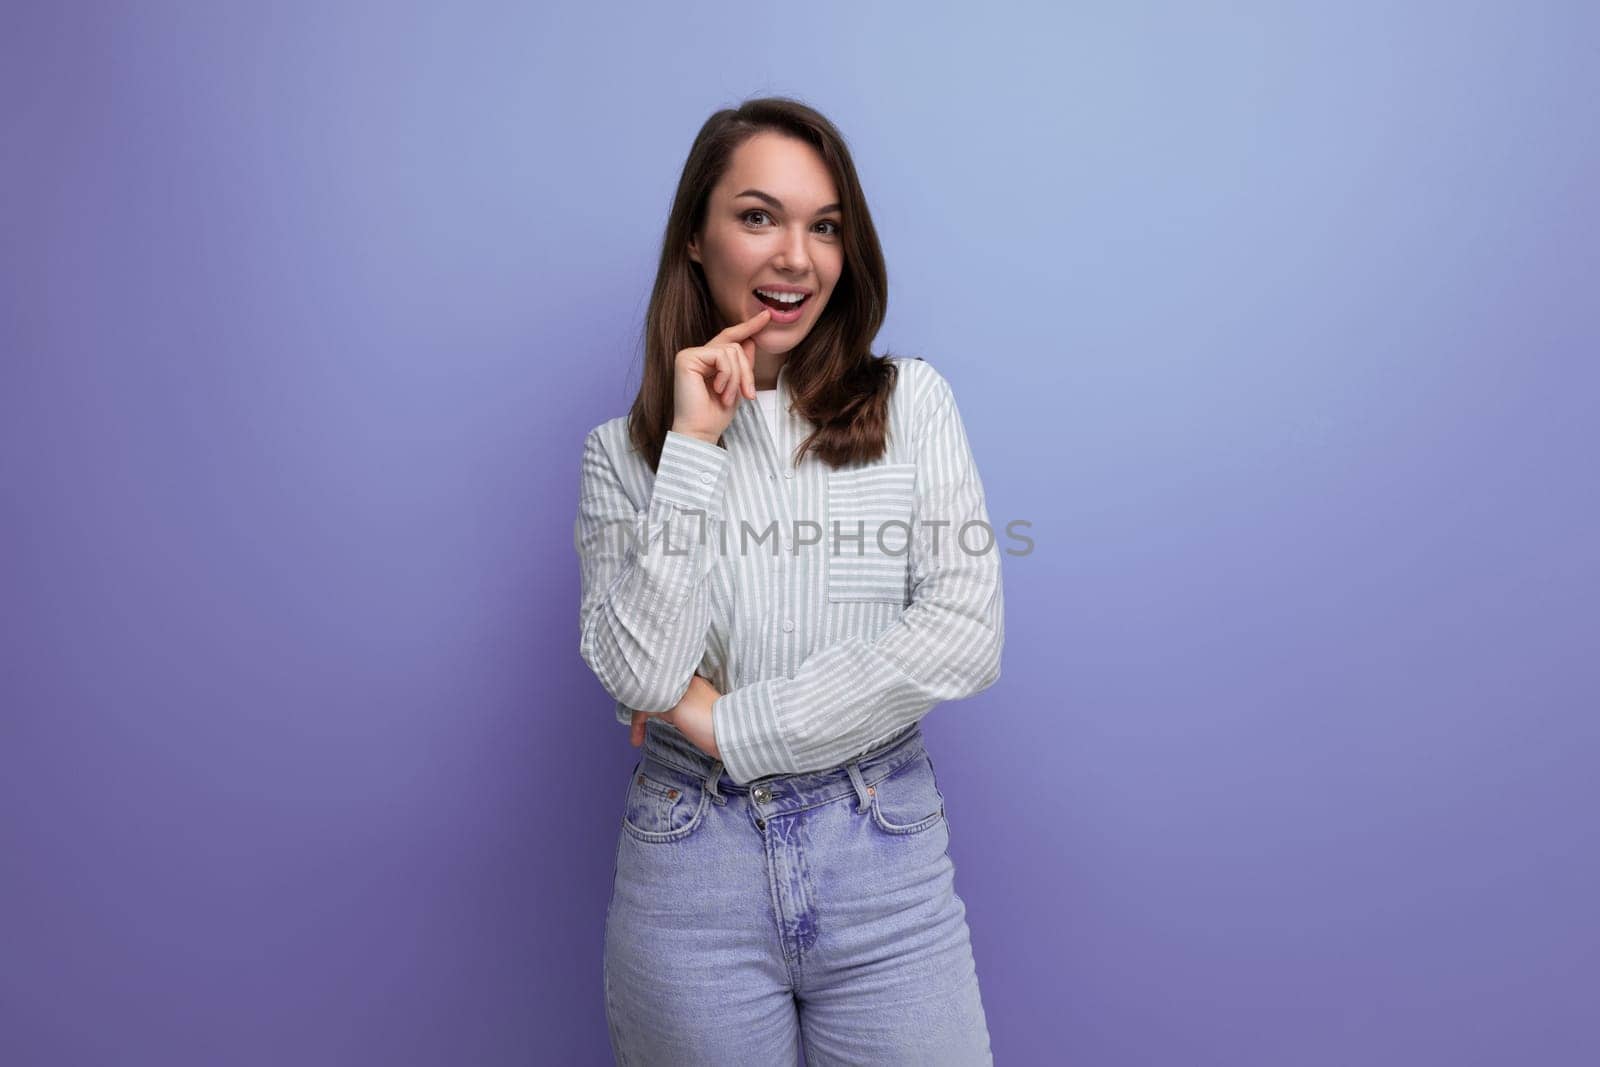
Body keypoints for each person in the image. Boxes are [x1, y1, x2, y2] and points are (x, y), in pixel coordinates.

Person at [575, 96, 1004, 1064]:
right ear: (696, 235)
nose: (796, 260)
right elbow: (642, 677)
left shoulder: (913, 405)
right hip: (691, 870)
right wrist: (692, 444)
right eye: (758, 216)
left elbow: (965, 633)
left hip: (882, 851)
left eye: (825, 227)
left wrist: (728, 723)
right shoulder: (620, 458)